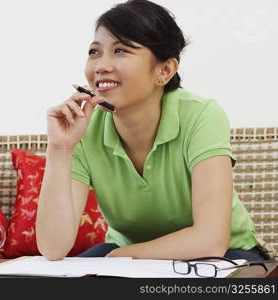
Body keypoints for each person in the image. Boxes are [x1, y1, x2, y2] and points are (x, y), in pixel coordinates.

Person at [36, 0, 267, 262]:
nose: (101, 66)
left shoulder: (202, 115)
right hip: (129, 255)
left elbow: (210, 240)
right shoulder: (85, 128)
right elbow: (53, 249)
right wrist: (60, 148)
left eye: (120, 50)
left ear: (164, 70)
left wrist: (120, 257)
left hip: (226, 254)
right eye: (94, 52)